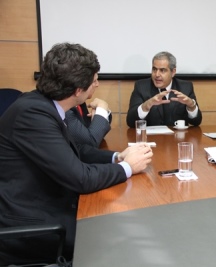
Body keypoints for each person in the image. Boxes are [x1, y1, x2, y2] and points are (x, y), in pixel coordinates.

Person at [0, 43, 153, 265]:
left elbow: (76, 150)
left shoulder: (44, 105)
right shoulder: (33, 114)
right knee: (120, 239)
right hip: (31, 226)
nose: (98, 85)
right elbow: (80, 178)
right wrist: (127, 167)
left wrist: (117, 157)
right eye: (94, 81)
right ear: (78, 90)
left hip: (48, 204)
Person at [126, 51, 202, 127]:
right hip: (150, 138)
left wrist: (192, 106)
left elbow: (196, 122)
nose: (157, 74)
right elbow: (130, 122)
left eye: (162, 70)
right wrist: (146, 106)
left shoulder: (185, 87)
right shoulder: (141, 86)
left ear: (173, 72)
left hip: (178, 138)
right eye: (154, 69)